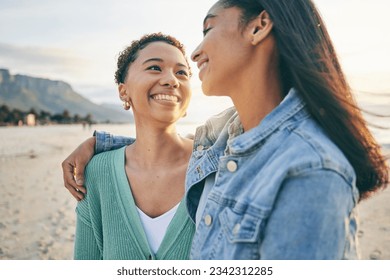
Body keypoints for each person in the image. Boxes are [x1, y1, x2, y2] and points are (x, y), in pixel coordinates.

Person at [63, 0, 389, 259]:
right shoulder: (228, 140)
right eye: (155, 67)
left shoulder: (308, 171)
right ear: (123, 90)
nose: (194, 52)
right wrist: (99, 144)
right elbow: (160, 151)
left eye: (208, 28)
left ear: (259, 26)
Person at [72, 33, 195, 260]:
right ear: (123, 91)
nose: (172, 80)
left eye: (181, 72)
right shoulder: (97, 172)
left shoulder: (218, 168)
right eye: (155, 68)